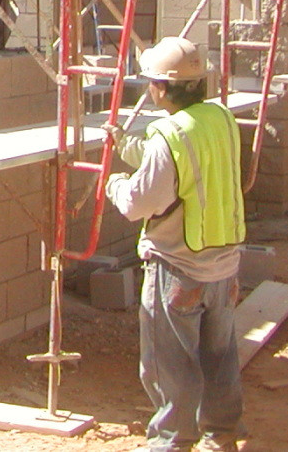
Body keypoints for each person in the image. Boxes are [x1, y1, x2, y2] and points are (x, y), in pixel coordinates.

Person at [105, 37, 245, 452]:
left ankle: (173, 443)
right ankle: (222, 437)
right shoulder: (219, 117)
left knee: (170, 365)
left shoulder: (168, 134)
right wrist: (127, 146)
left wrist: (115, 183)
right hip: (224, 266)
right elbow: (182, 166)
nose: (149, 89)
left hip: (178, 271)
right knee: (219, 358)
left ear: (162, 88)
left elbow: (139, 202)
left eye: (151, 82)